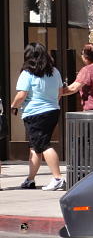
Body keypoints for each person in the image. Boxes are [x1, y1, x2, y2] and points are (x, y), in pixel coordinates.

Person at [10, 42, 65, 190]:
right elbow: (60, 92)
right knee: (35, 147)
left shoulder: (27, 73)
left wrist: (13, 106)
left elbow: (21, 94)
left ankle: (58, 178)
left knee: (43, 145)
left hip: (35, 114)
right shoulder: (54, 71)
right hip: (52, 111)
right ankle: (30, 179)